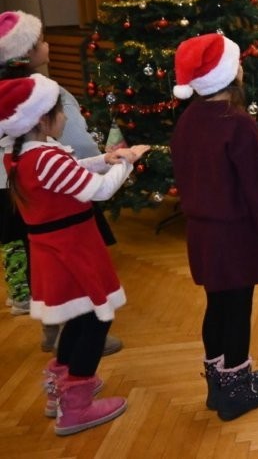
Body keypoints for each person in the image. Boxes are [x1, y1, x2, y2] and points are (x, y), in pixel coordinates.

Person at [0, 73, 149, 435]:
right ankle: (77, 405)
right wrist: (127, 162)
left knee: (80, 317)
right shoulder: (45, 159)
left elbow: (72, 171)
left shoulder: (24, 153)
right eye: (61, 110)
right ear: (41, 119)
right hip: (70, 249)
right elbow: (99, 191)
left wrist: (106, 158)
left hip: (58, 248)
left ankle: (62, 387)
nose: (66, 116)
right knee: (97, 319)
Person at [168, 33, 258, 422]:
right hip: (235, 238)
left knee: (218, 306)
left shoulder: (188, 119)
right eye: (236, 62)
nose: (241, 67)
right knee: (237, 309)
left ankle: (218, 384)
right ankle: (236, 391)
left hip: (202, 236)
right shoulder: (237, 124)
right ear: (227, 74)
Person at [0, 10, 124, 355]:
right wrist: (112, 161)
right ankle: (79, 335)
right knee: (73, 267)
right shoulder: (44, 96)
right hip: (58, 196)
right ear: (25, 53)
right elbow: (79, 146)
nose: (48, 45)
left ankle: (52, 326)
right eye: (41, 41)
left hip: (15, 189)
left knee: (37, 256)